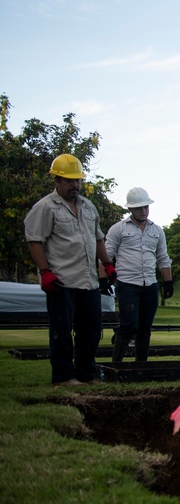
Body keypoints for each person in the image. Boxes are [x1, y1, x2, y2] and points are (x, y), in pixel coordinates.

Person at [24, 153, 117, 386]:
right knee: (62, 331)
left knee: (92, 330)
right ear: (57, 181)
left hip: (88, 279)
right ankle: (63, 377)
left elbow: (98, 239)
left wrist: (106, 263)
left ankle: (87, 373)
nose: (75, 185)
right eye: (70, 180)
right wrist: (44, 271)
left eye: (78, 180)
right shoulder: (46, 207)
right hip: (61, 280)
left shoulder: (88, 207)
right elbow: (35, 241)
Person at [105, 187, 173, 363]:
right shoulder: (118, 229)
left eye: (146, 207)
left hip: (149, 283)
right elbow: (106, 255)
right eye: (139, 208)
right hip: (127, 283)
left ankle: (141, 366)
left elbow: (163, 257)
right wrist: (103, 279)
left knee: (145, 328)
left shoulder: (157, 230)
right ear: (130, 209)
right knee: (129, 326)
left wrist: (168, 281)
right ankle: (116, 365)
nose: (143, 211)